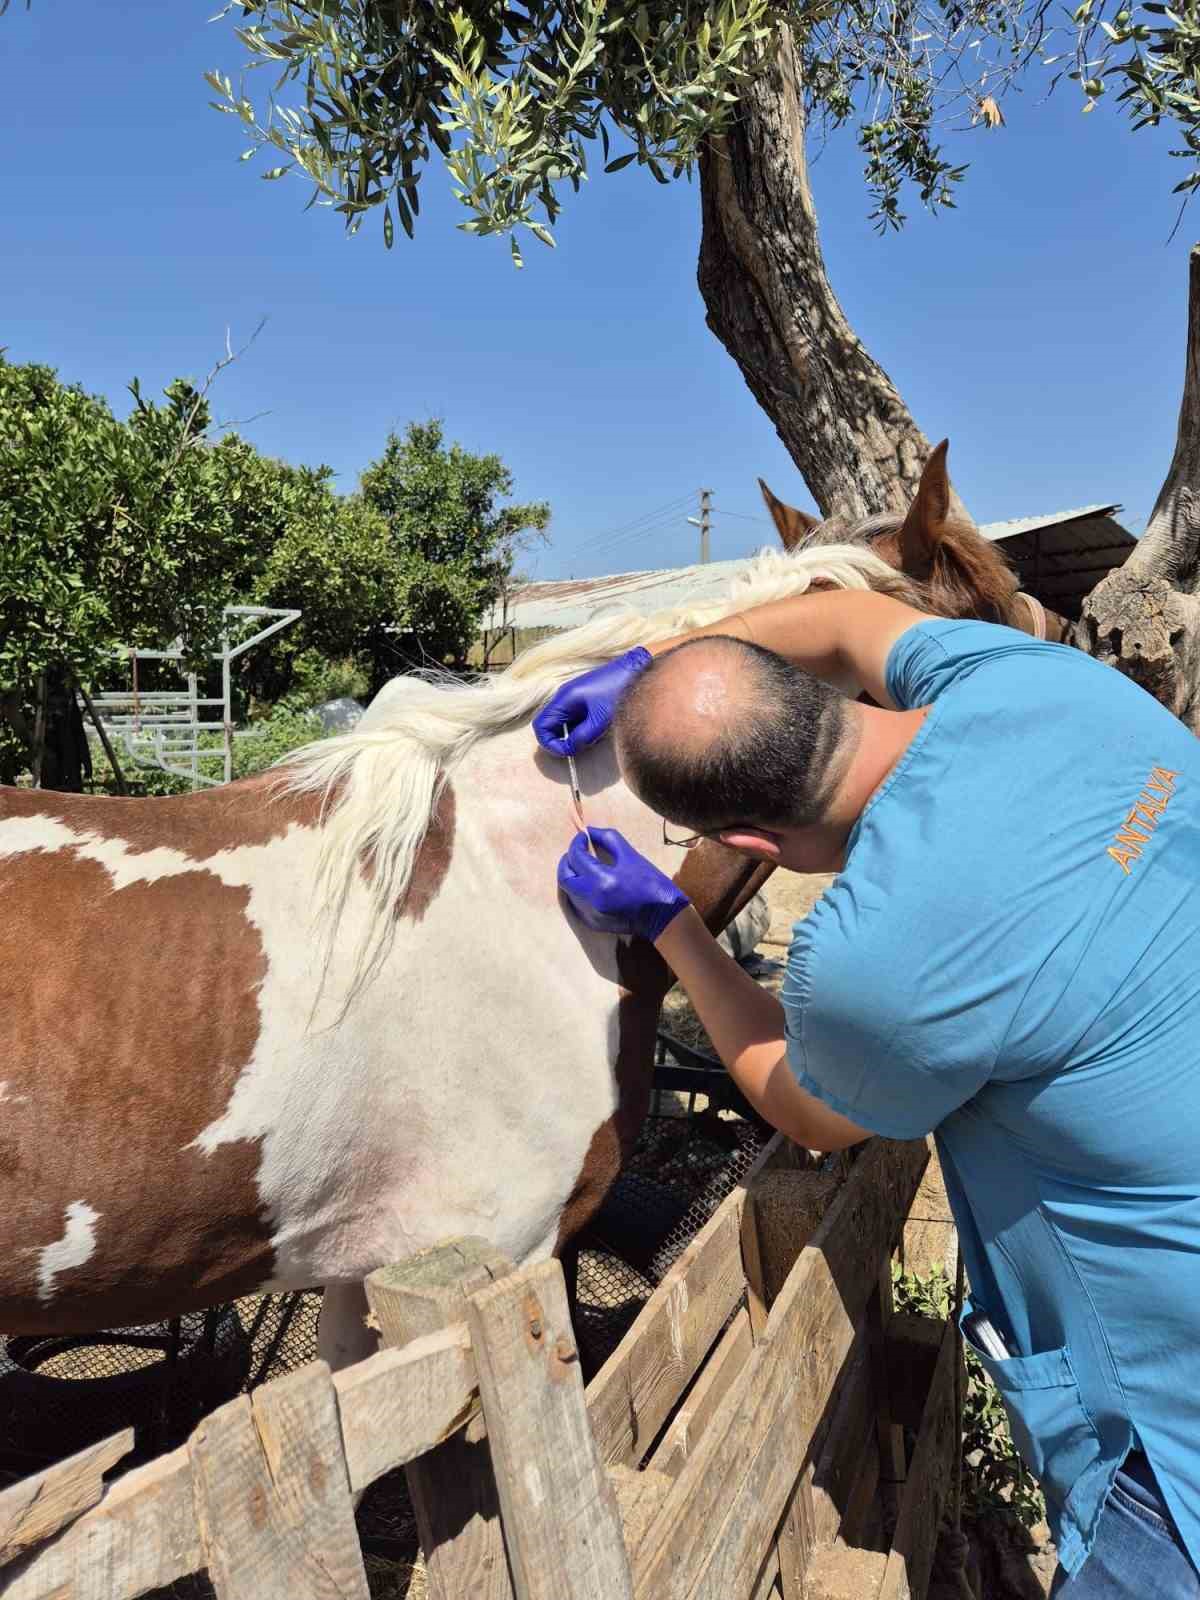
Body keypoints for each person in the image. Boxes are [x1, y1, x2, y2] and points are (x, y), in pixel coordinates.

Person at [532, 588, 1200, 1599]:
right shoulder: (1042, 684)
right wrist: (651, 660)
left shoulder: (872, 959)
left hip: (1173, 1432)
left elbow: (807, 1106)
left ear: (749, 843)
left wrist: (671, 922)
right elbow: (846, 616)